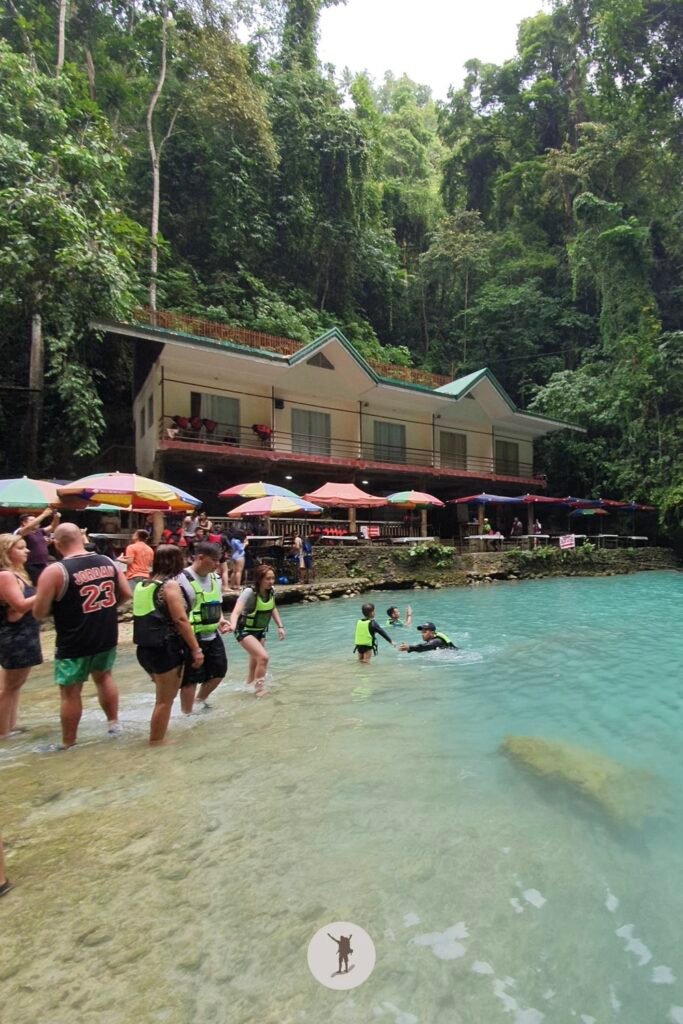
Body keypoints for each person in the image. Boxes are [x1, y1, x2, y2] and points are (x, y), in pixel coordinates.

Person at [33, 523, 132, 750]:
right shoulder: (108, 562)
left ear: (56, 544)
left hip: (73, 638)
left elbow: (38, 612)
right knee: (104, 677)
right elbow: (126, 594)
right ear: (81, 537)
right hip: (105, 633)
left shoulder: (56, 571)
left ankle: (69, 742)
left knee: (70, 691)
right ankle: (113, 724)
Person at [133, 545, 204, 744]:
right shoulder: (169, 586)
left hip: (144, 649)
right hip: (165, 649)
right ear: (176, 561)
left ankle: (159, 732)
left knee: (164, 697)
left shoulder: (143, 585)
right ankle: (156, 742)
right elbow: (180, 619)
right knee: (164, 701)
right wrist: (196, 648)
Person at [177, 543, 230, 714]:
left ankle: (200, 701)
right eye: (213, 560)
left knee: (219, 672)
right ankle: (187, 714)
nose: (217, 564)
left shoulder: (216, 579)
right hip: (191, 636)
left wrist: (221, 620)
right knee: (190, 679)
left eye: (218, 560)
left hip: (212, 634)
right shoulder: (181, 579)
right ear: (200, 558)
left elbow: (217, 603)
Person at [0, 535, 42, 738]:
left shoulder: (18, 574)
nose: (27, 551)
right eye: (21, 548)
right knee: (8, 686)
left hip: (25, 631)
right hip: (15, 635)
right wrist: (45, 592)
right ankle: (2, 732)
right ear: (7, 552)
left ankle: (11, 725)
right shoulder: (6, 576)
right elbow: (19, 606)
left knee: (15, 685)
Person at [229, 564, 285, 694]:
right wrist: (232, 625)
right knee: (263, 658)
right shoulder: (249, 593)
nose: (271, 581)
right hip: (244, 630)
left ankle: (248, 686)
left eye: (273, 578)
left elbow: (272, 608)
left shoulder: (271, 591)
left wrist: (280, 626)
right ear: (259, 579)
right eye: (268, 579)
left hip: (260, 631)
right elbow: (236, 612)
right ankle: (259, 690)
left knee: (255, 661)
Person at [15, 507, 61, 584]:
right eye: (32, 520)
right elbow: (29, 527)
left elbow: (53, 527)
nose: (37, 522)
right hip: (30, 564)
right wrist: (43, 515)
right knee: (34, 585)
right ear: (24, 523)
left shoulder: (39, 531)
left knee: (44, 584)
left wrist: (56, 518)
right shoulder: (21, 531)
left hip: (43, 563)